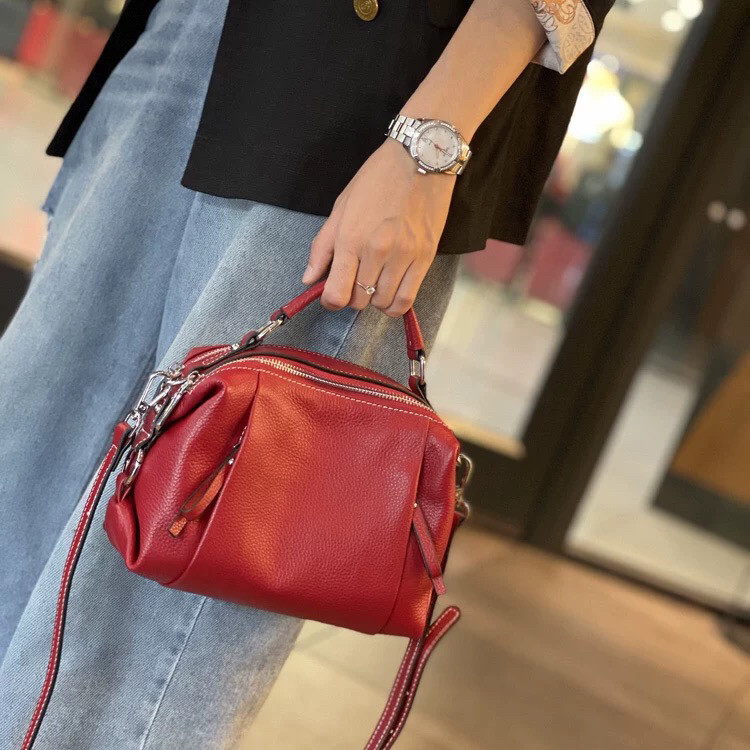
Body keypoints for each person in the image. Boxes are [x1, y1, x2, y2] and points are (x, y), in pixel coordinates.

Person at [0, 0, 614, 746]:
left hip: (373, 84)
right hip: (186, 30)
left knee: (201, 555)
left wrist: (429, 141)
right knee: (30, 457)